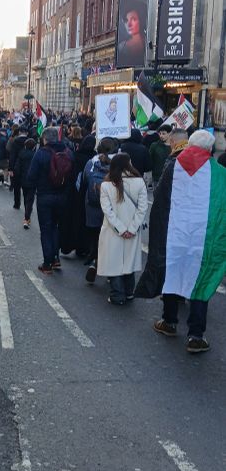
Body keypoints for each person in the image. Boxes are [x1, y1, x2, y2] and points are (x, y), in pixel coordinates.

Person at [135, 129, 226, 354]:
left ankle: (169, 321)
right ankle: (196, 334)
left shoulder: (172, 167)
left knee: (172, 274)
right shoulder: (220, 174)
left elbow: (160, 202)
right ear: (210, 149)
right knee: (200, 281)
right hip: (202, 241)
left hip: (174, 236)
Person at [97, 153, 148, 305]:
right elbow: (143, 208)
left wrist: (120, 228)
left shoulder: (106, 185)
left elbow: (107, 211)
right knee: (129, 260)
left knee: (114, 262)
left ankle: (117, 295)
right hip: (133, 230)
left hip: (112, 230)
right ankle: (129, 292)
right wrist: (132, 229)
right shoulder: (139, 182)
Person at [27, 126, 74, 273]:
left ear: (45, 139)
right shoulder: (68, 153)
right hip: (62, 196)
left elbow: (31, 176)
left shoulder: (41, 153)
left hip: (45, 196)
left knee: (46, 229)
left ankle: (47, 262)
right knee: (56, 227)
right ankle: (55, 258)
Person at [81, 137, 118, 283]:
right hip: (111, 207)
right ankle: (108, 270)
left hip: (93, 207)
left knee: (95, 237)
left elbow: (84, 180)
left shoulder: (91, 163)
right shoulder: (119, 165)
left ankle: (95, 260)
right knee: (110, 238)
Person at [13, 136, 37, 229]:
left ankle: (27, 215)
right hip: (32, 180)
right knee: (30, 199)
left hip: (23, 179)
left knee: (25, 196)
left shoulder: (21, 154)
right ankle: (27, 217)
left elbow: (17, 168)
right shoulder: (35, 155)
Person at [8, 127, 28, 209]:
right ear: (26, 133)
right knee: (26, 188)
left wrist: (10, 168)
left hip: (16, 166)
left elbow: (12, 156)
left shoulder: (15, 141)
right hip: (27, 167)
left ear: (19, 132)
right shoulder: (30, 141)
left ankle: (17, 203)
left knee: (17, 187)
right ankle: (27, 204)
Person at [149, 124, 172, 189]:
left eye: (163, 134)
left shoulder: (174, 146)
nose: (161, 135)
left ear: (169, 134)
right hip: (157, 177)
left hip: (170, 178)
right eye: (160, 133)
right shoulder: (154, 145)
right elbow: (150, 160)